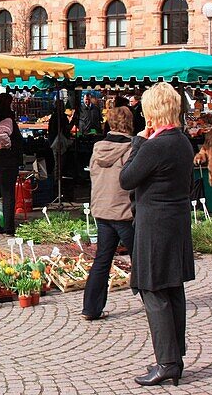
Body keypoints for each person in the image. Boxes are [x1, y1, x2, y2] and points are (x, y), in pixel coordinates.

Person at [119, 83, 195, 387]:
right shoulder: (182, 141)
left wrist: (138, 141)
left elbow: (126, 178)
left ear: (153, 110)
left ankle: (166, 362)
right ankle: (175, 357)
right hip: (175, 222)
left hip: (155, 224)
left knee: (153, 290)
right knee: (173, 288)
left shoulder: (155, 145)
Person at [83, 106, 135, 321]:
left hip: (103, 210)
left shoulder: (98, 148)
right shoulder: (133, 148)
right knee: (140, 259)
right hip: (124, 212)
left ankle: (91, 308)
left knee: (102, 260)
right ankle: (155, 304)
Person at [0, 93, 22, 235]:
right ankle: (8, 228)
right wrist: (5, 145)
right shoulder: (6, 118)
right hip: (8, 162)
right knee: (8, 195)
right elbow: (1, 135)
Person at [47, 99, 75, 203]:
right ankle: (57, 188)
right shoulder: (60, 117)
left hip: (54, 144)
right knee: (59, 166)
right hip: (59, 144)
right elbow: (66, 129)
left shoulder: (54, 117)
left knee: (58, 166)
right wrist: (73, 121)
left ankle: (57, 188)